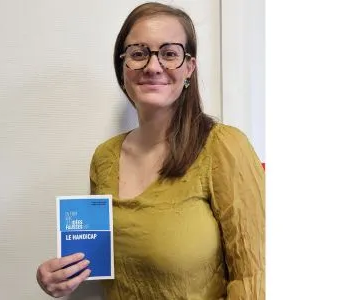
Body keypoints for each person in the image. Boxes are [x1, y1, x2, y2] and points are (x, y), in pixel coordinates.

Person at [36, 2, 265, 299]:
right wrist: (57, 278)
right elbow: (96, 261)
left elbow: (256, 276)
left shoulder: (225, 147)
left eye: (170, 53)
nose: (153, 66)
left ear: (189, 68)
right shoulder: (104, 158)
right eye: (138, 53)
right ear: (123, 67)